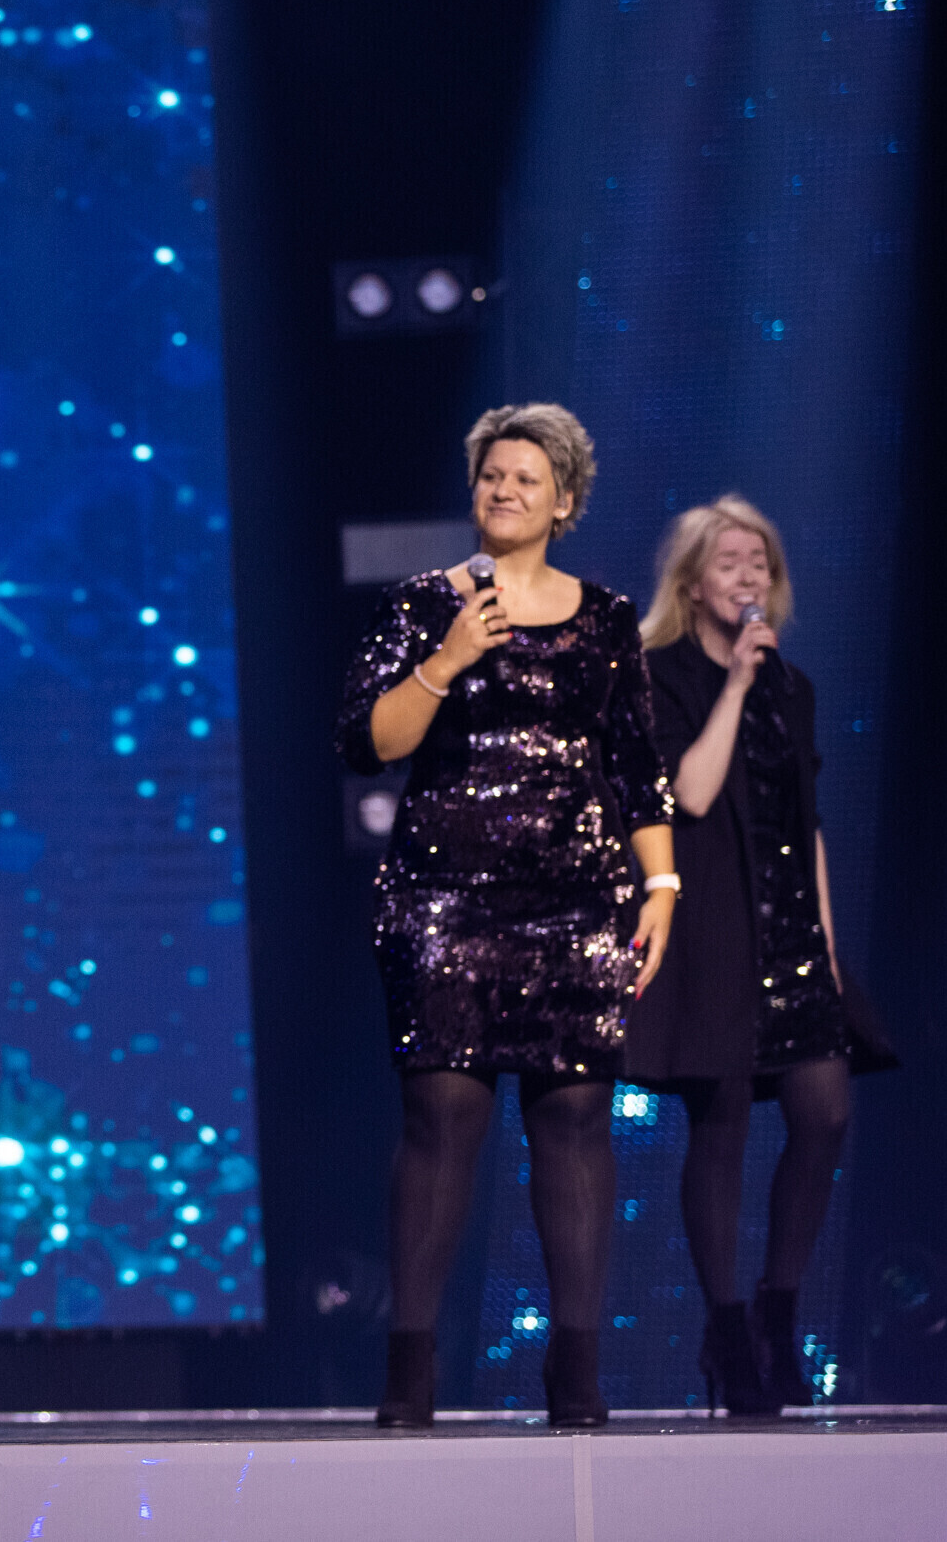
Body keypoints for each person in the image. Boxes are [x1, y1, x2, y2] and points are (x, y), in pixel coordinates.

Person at [337, 404, 677, 1430]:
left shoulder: (607, 619)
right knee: (443, 1114)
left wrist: (661, 888)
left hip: (577, 899)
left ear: (563, 500)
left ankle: (575, 1370)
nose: (505, 491)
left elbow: (638, 766)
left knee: (573, 1116)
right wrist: (446, 658)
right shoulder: (419, 604)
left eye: (527, 478)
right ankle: (411, 1371)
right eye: (492, 475)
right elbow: (368, 743)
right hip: (444, 895)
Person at [627, 496, 863, 1415]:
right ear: (692, 582)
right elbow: (687, 793)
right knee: (719, 1121)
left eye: (760, 562)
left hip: (791, 926)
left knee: (825, 1111)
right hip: (715, 925)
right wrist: (731, 688)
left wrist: (828, 940)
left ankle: (777, 1307)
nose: (749, 576)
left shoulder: (792, 687)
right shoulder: (660, 674)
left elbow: (809, 821)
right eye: (730, 562)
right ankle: (726, 1330)